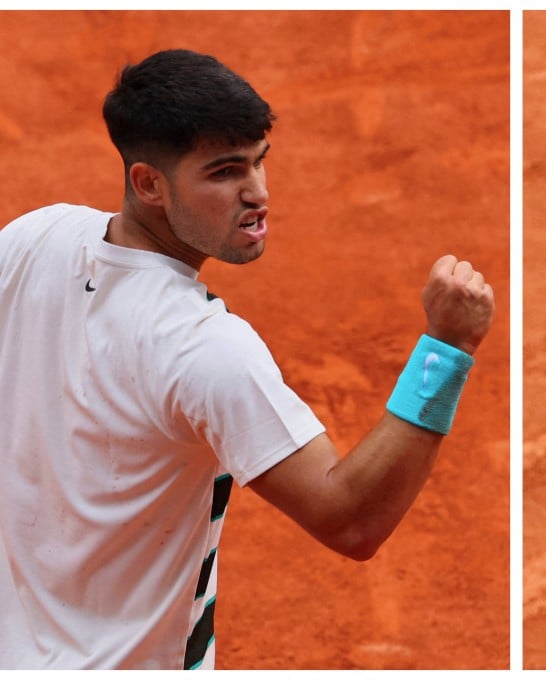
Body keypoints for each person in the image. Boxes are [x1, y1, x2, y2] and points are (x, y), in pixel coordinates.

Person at [0, 49, 494, 670]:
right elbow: (351, 520)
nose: (258, 194)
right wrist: (445, 351)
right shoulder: (203, 346)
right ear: (149, 183)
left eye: (260, 163)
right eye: (225, 172)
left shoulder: (35, 237)